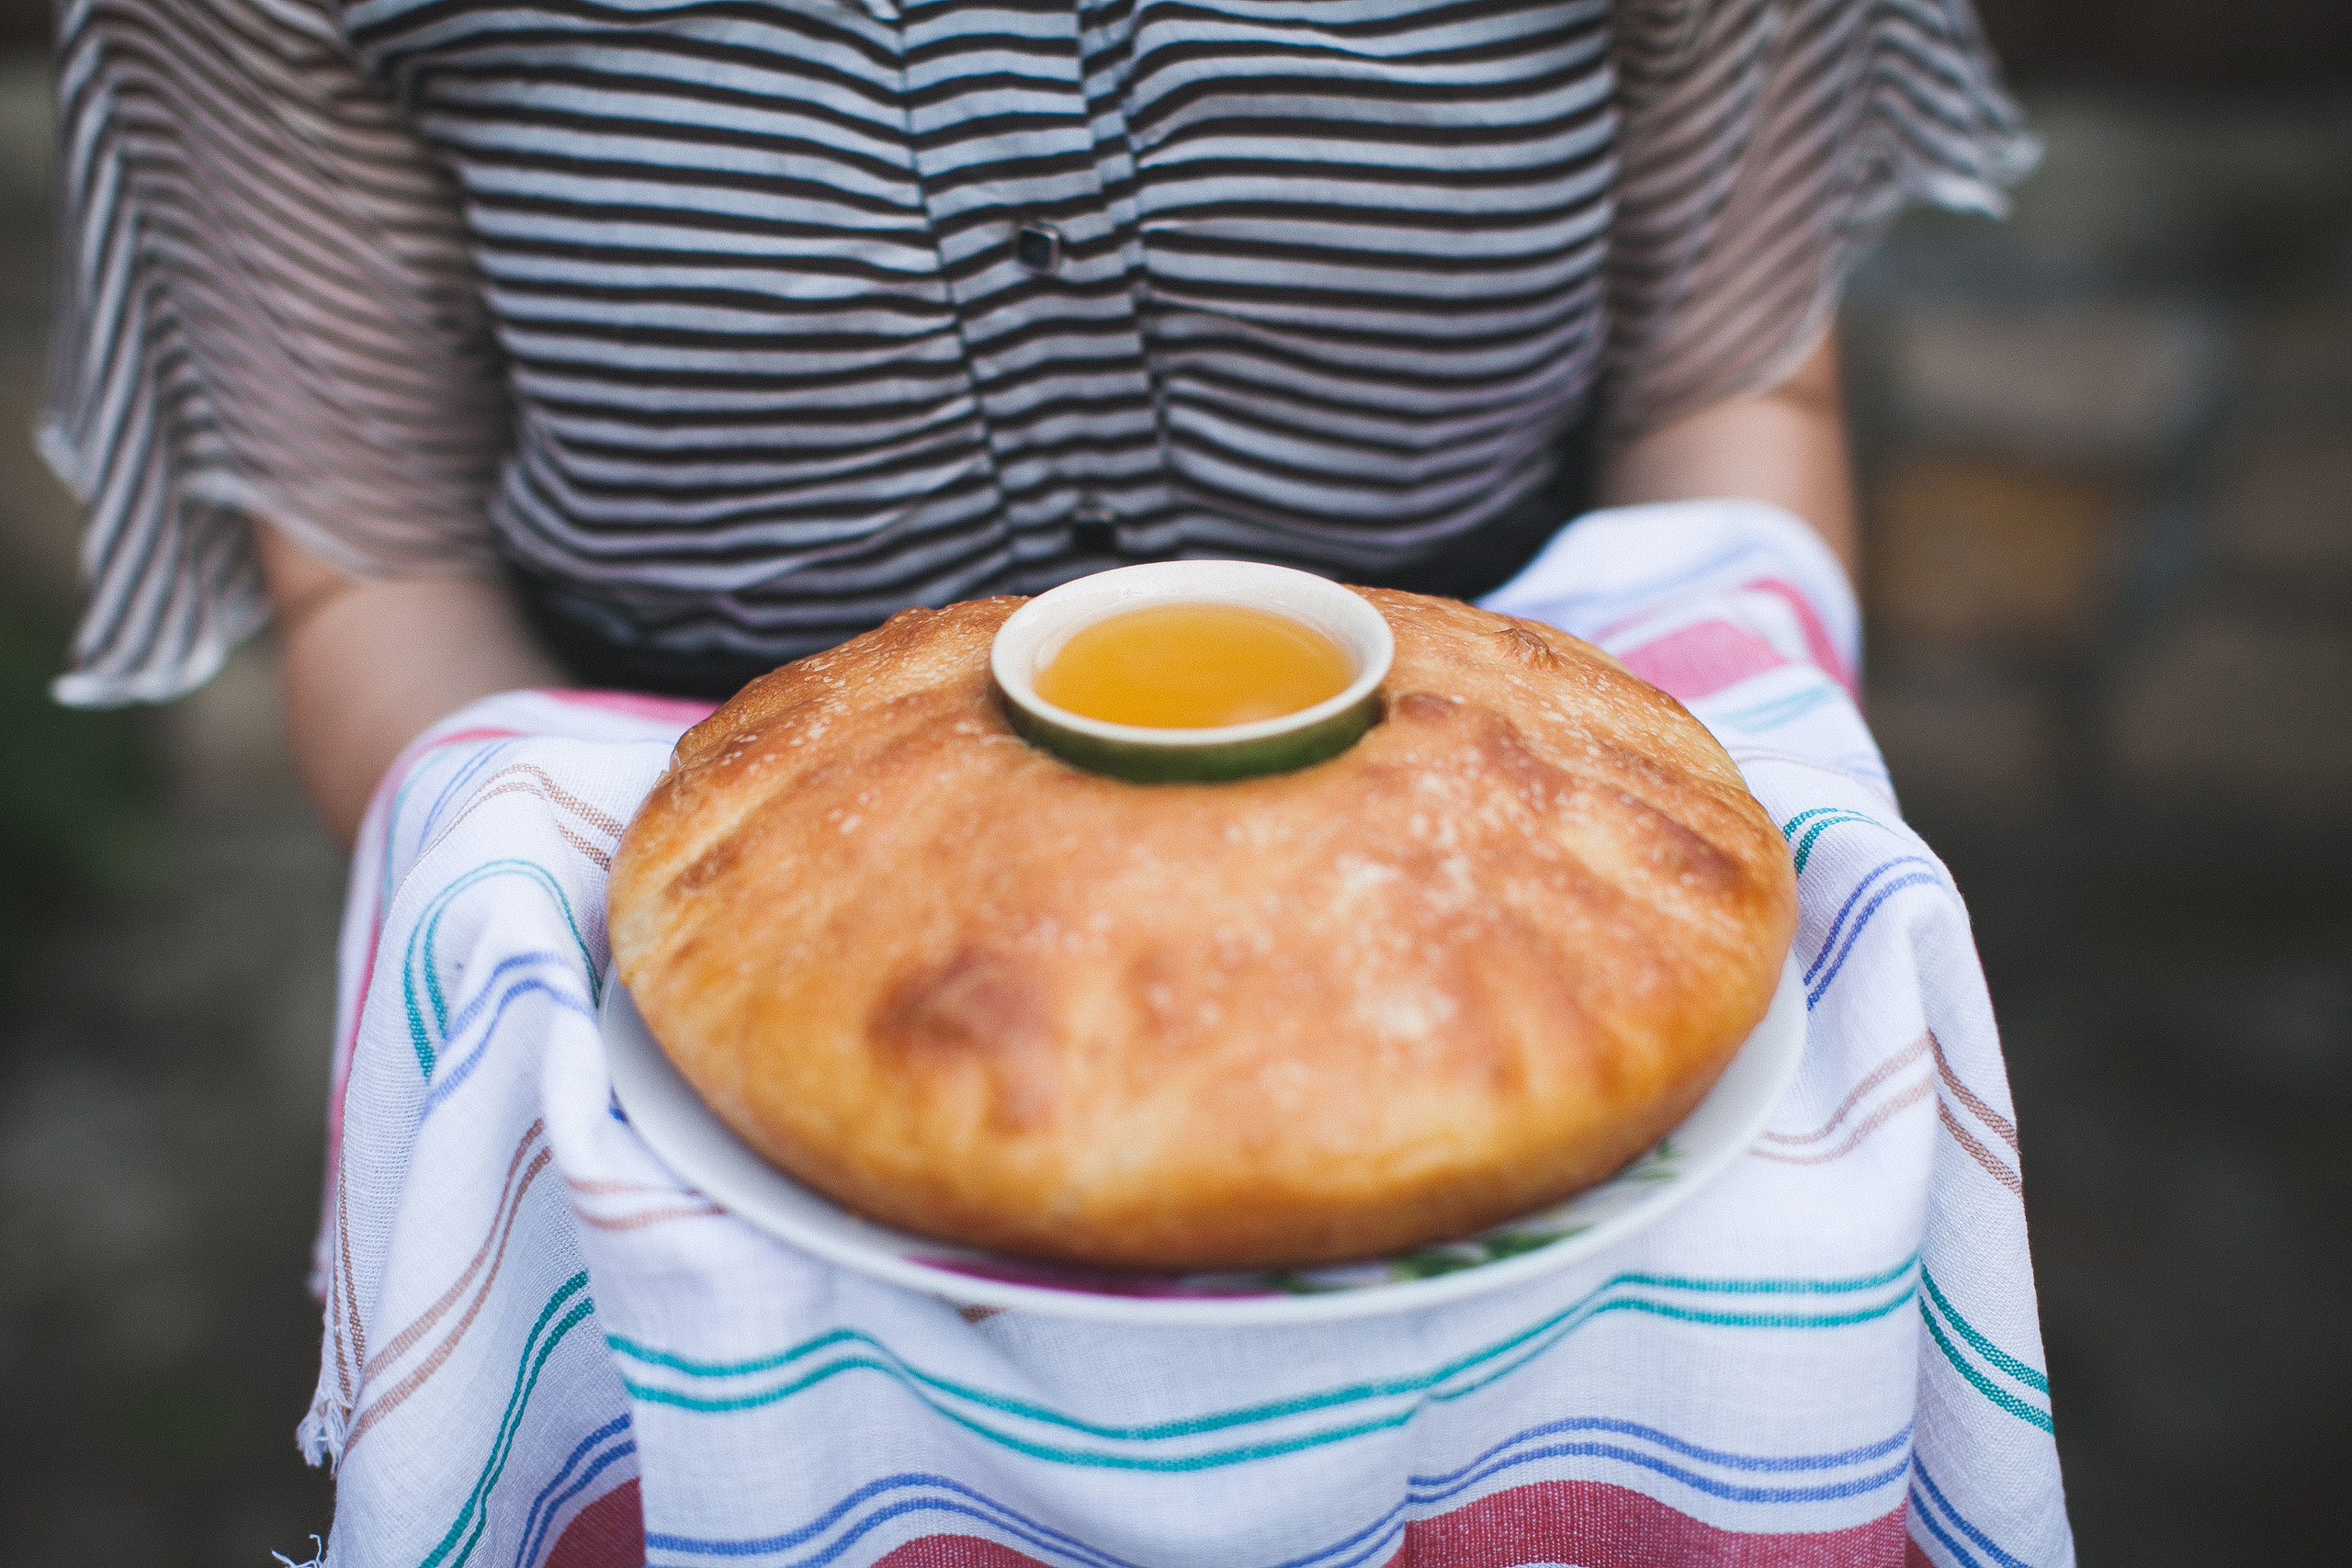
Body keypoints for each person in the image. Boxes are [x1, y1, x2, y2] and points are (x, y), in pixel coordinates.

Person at [45, 0, 2031, 844]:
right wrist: (578, 931)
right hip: (688, 881)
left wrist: (1692, 839)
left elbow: (1722, 388)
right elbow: (382, 571)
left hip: (1503, 848)